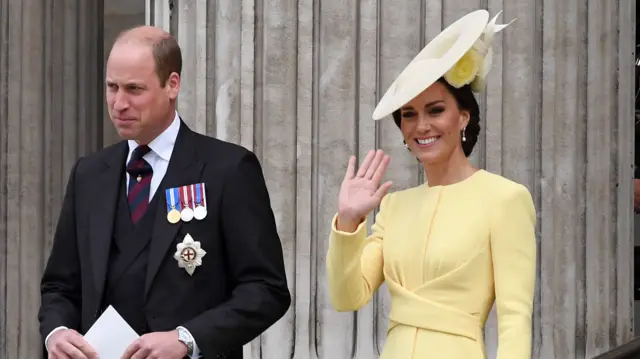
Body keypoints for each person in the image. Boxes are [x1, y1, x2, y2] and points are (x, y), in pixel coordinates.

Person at [38, 25, 290, 359]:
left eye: (134, 89)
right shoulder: (90, 174)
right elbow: (60, 286)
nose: (119, 103)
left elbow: (266, 289)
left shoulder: (227, 170)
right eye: (112, 87)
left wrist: (188, 339)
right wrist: (56, 333)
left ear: (172, 84)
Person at [326, 10, 536, 359]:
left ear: (463, 116)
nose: (421, 125)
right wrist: (348, 222)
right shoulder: (395, 206)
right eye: (409, 114)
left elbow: (515, 319)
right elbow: (347, 297)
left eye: (435, 110)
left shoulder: (505, 199)